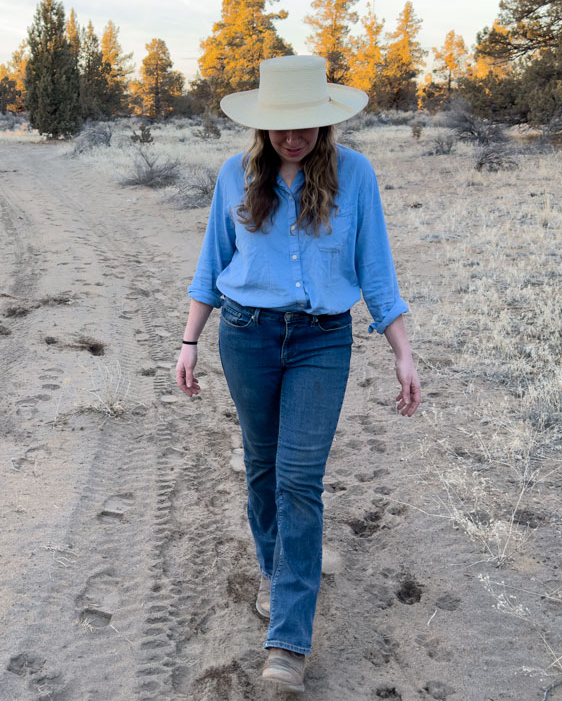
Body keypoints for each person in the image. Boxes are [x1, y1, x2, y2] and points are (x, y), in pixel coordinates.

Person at [174, 55, 421, 693]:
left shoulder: (355, 175)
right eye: (281, 126)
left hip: (322, 342)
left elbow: (376, 268)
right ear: (262, 125)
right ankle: (275, 566)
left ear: (324, 120)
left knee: (299, 481)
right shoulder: (235, 175)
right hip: (247, 337)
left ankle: (288, 639)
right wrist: (189, 340)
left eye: (305, 124)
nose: (293, 137)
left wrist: (402, 351)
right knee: (261, 469)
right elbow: (212, 263)